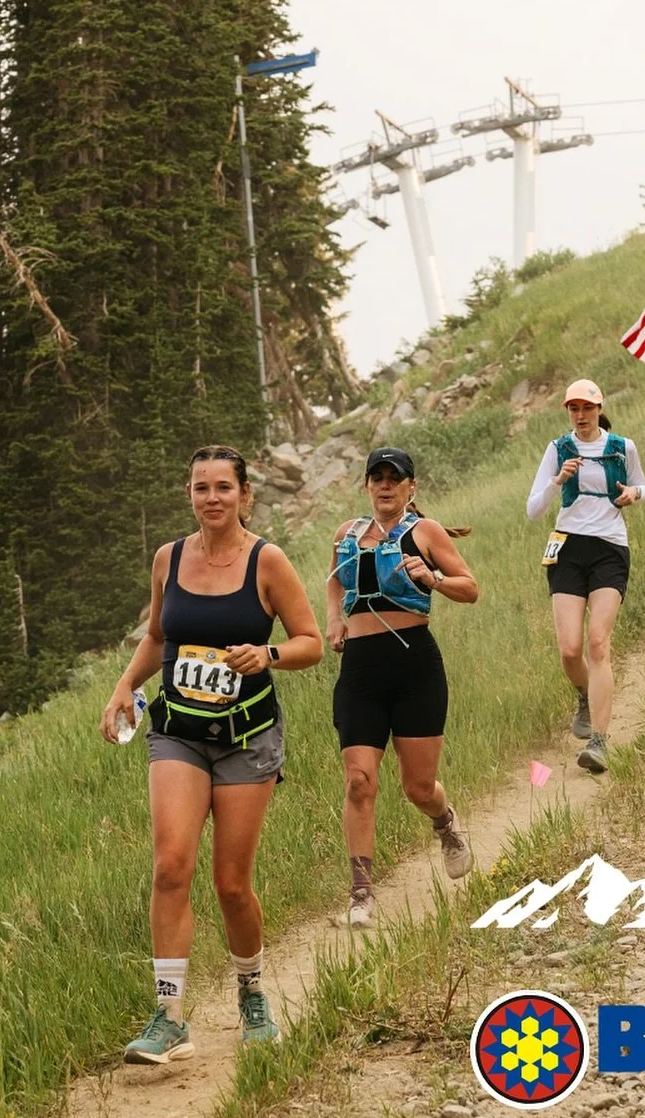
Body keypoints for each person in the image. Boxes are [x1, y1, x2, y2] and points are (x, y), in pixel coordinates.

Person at [99, 445, 323, 1063]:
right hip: (177, 729)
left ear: (245, 495)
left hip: (248, 735)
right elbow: (158, 636)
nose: (212, 498)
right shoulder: (168, 558)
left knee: (230, 884)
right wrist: (126, 685)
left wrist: (268, 654)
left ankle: (252, 994)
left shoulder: (267, 561)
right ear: (189, 495)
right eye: (201, 488)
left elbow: (311, 642)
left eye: (224, 487)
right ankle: (169, 1017)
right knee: (171, 865)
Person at [326, 446, 478, 928]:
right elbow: (335, 582)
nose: (386, 485)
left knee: (417, 787)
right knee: (358, 781)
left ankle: (445, 822)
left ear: (412, 487)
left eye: (396, 477)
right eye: (378, 477)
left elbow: (470, 587)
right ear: (366, 485)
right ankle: (361, 892)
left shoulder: (424, 533)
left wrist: (431, 577)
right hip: (361, 673)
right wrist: (333, 619)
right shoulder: (346, 535)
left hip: (415, 668)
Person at [525, 379, 645, 777]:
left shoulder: (622, 446)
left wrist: (634, 495)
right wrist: (558, 480)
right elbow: (532, 509)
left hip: (610, 548)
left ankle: (599, 741)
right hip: (567, 548)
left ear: (599, 408)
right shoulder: (557, 449)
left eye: (586, 408)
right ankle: (583, 692)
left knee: (598, 642)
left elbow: (642, 485)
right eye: (573, 409)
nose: (580, 416)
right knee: (569, 649)